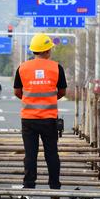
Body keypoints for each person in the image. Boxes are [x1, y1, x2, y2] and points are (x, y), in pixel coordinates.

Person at [13, 33, 67, 190]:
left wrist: (30, 100)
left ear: (33, 51)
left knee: (30, 154)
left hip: (28, 119)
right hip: (49, 119)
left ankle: (29, 185)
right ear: (47, 50)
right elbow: (62, 91)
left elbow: (17, 91)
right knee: (51, 154)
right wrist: (48, 100)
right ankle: (55, 186)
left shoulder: (22, 68)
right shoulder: (57, 68)